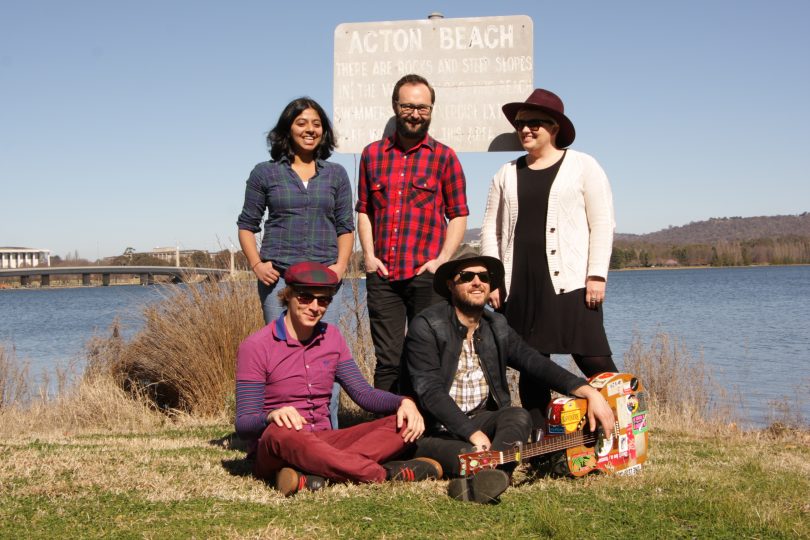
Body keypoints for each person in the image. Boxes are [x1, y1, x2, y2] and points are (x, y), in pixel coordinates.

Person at [404, 248, 615, 504]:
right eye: (467, 276)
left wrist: (586, 390)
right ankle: (487, 473)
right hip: (435, 427)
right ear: (451, 284)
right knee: (468, 453)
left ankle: (487, 474)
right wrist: (472, 433)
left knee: (518, 415)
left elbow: (534, 361)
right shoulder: (426, 325)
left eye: (483, 277)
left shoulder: (497, 326)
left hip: (482, 420)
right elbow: (430, 392)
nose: (477, 282)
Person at [234, 262, 442, 496]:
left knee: (402, 423)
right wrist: (270, 417)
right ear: (288, 295)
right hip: (280, 444)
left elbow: (363, 394)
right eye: (305, 298)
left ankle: (313, 473)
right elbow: (243, 425)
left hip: (326, 440)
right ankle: (381, 474)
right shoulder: (256, 346)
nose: (315, 307)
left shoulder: (332, 337)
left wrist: (403, 402)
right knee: (280, 433)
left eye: (323, 300)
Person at [480, 89, 618, 430]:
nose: (525, 129)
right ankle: (541, 439)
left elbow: (602, 222)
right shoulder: (505, 173)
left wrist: (597, 274)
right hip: (519, 283)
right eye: (521, 123)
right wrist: (493, 279)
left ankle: (623, 428)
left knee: (594, 358)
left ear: (554, 127)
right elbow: (489, 231)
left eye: (535, 123)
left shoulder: (583, 165)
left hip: (569, 281)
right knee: (532, 365)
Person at [237, 96, 353, 428]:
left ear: (324, 132)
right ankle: (281, 433)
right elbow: (247, 225)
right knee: (280, 357)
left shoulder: (336, 175)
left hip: (324, 282)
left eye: (317, 124)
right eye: (302, 123)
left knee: (325, 359)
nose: (310, 129)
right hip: (280, 281)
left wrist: (340, 267)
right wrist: (257, 264)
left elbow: (345, 227)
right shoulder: (265, 173)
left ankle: (326, 430)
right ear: (288, 128)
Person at [356, 73, 469, 393]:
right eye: (408, 106)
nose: (416, 114)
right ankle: (385, 435)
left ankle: (427, 432)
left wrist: (442, 261)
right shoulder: (372, 155)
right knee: (388, 362)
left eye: (423, 107)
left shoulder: (445, 157)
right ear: (395, 106)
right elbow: (364, 209)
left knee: (428, 357)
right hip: (383, 277)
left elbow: (458, 214)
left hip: (427, 277)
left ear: (431, 110)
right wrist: (368, 256)